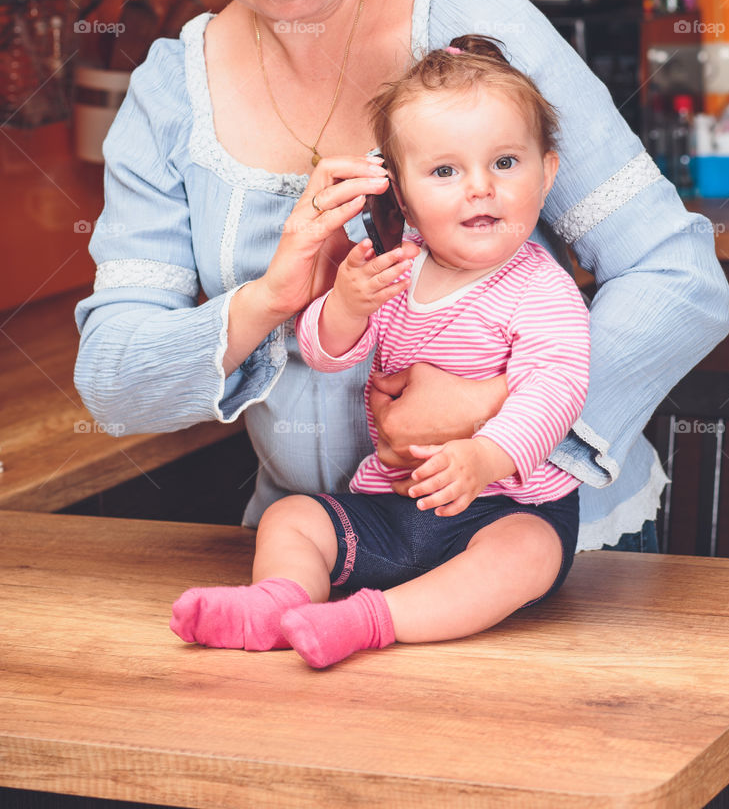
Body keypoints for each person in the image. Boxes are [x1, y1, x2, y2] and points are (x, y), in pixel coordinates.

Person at [73, 0, 729, 566]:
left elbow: (676, 276)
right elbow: (115, 382)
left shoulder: (472, 25)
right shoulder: (168, 95)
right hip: (321, 555)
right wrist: (267, 300)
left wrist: (497, 417)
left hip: (541, 543)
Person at [170, 37, 590, 666]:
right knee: (292, 519)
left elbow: (555, 388)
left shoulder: (541, 287)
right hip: (390, 504)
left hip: (503, 505)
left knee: (527, 555)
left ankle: (369, 621)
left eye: (505, 162)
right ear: (402, 195)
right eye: (445, 171)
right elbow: (326, 352)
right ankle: (275, 602)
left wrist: (484, 456)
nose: (480, 188)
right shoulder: (396, 270)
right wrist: (346, 306)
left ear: (547, 172)